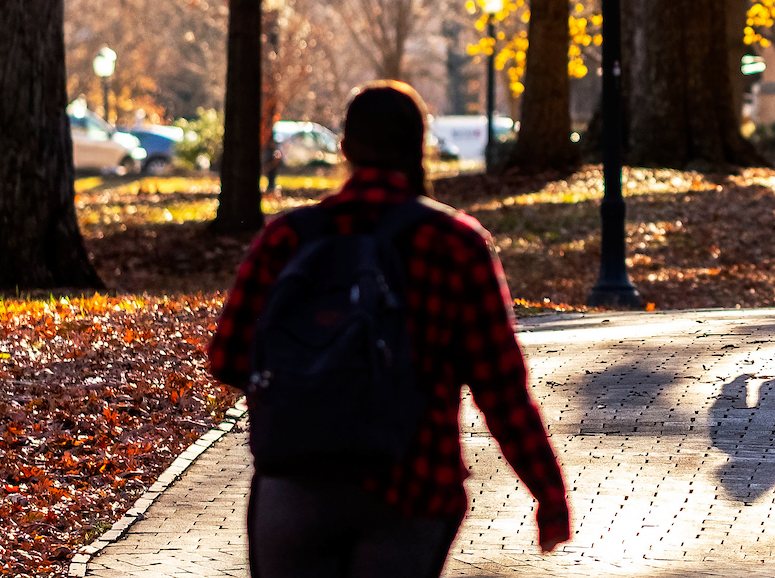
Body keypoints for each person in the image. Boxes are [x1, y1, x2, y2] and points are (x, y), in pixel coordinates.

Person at [210, 81, 570, 577]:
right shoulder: (455, 243)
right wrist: (547, 492)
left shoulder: (288, 237)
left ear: (345, 149)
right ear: (419, 148)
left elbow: (226, 357)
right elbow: (501, 389)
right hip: (412, 485)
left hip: (296, 483)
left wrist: (308, 380)